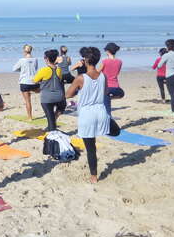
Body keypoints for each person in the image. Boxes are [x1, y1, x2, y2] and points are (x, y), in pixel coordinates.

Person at [66, 47, 110, 184]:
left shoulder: (81, 78)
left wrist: (80, 91)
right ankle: (114, 128)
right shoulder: (103, 76)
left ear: (85, 60)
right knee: (99, 138)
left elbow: (68, 94)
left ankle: (94, 176)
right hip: (101, 111)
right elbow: (105, 92)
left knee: (91, 148)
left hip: (87, 114)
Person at [33, 50, 66, 131]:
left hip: (47, 98)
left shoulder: (43, 70)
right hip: (59, 97)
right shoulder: (59, 69)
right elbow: (60, 80)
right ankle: (52, 122)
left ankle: (52, 127)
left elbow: (34, 80)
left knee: (51, 121)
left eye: (44, 57)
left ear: (47, 59)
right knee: (61, 108)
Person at [13, 44, 39, 120]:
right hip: (34, 82)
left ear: (24, 50)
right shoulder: (35, 59)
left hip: (24, 82)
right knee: (39, 91)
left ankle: (30, 117)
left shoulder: (21, 60)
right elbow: (35, 69)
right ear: (31, 50)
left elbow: (14, 69)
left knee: (28, 101)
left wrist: (22, 70)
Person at [158, 39, 174, 113]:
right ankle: (173, 108)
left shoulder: (166, 55)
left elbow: (159, 66)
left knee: (173, 95)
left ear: (168, 47)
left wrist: (165, 62)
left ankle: (173, 111)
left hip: (171, 76)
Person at [98, 43, 124, 115]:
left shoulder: (104, 61)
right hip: (116, 88)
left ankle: (108, 121)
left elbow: (97, 73)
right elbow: (116, 73)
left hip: (106, 87)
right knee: (121, 93)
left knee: (106, 109)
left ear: (108, 51)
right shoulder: (119, 62)